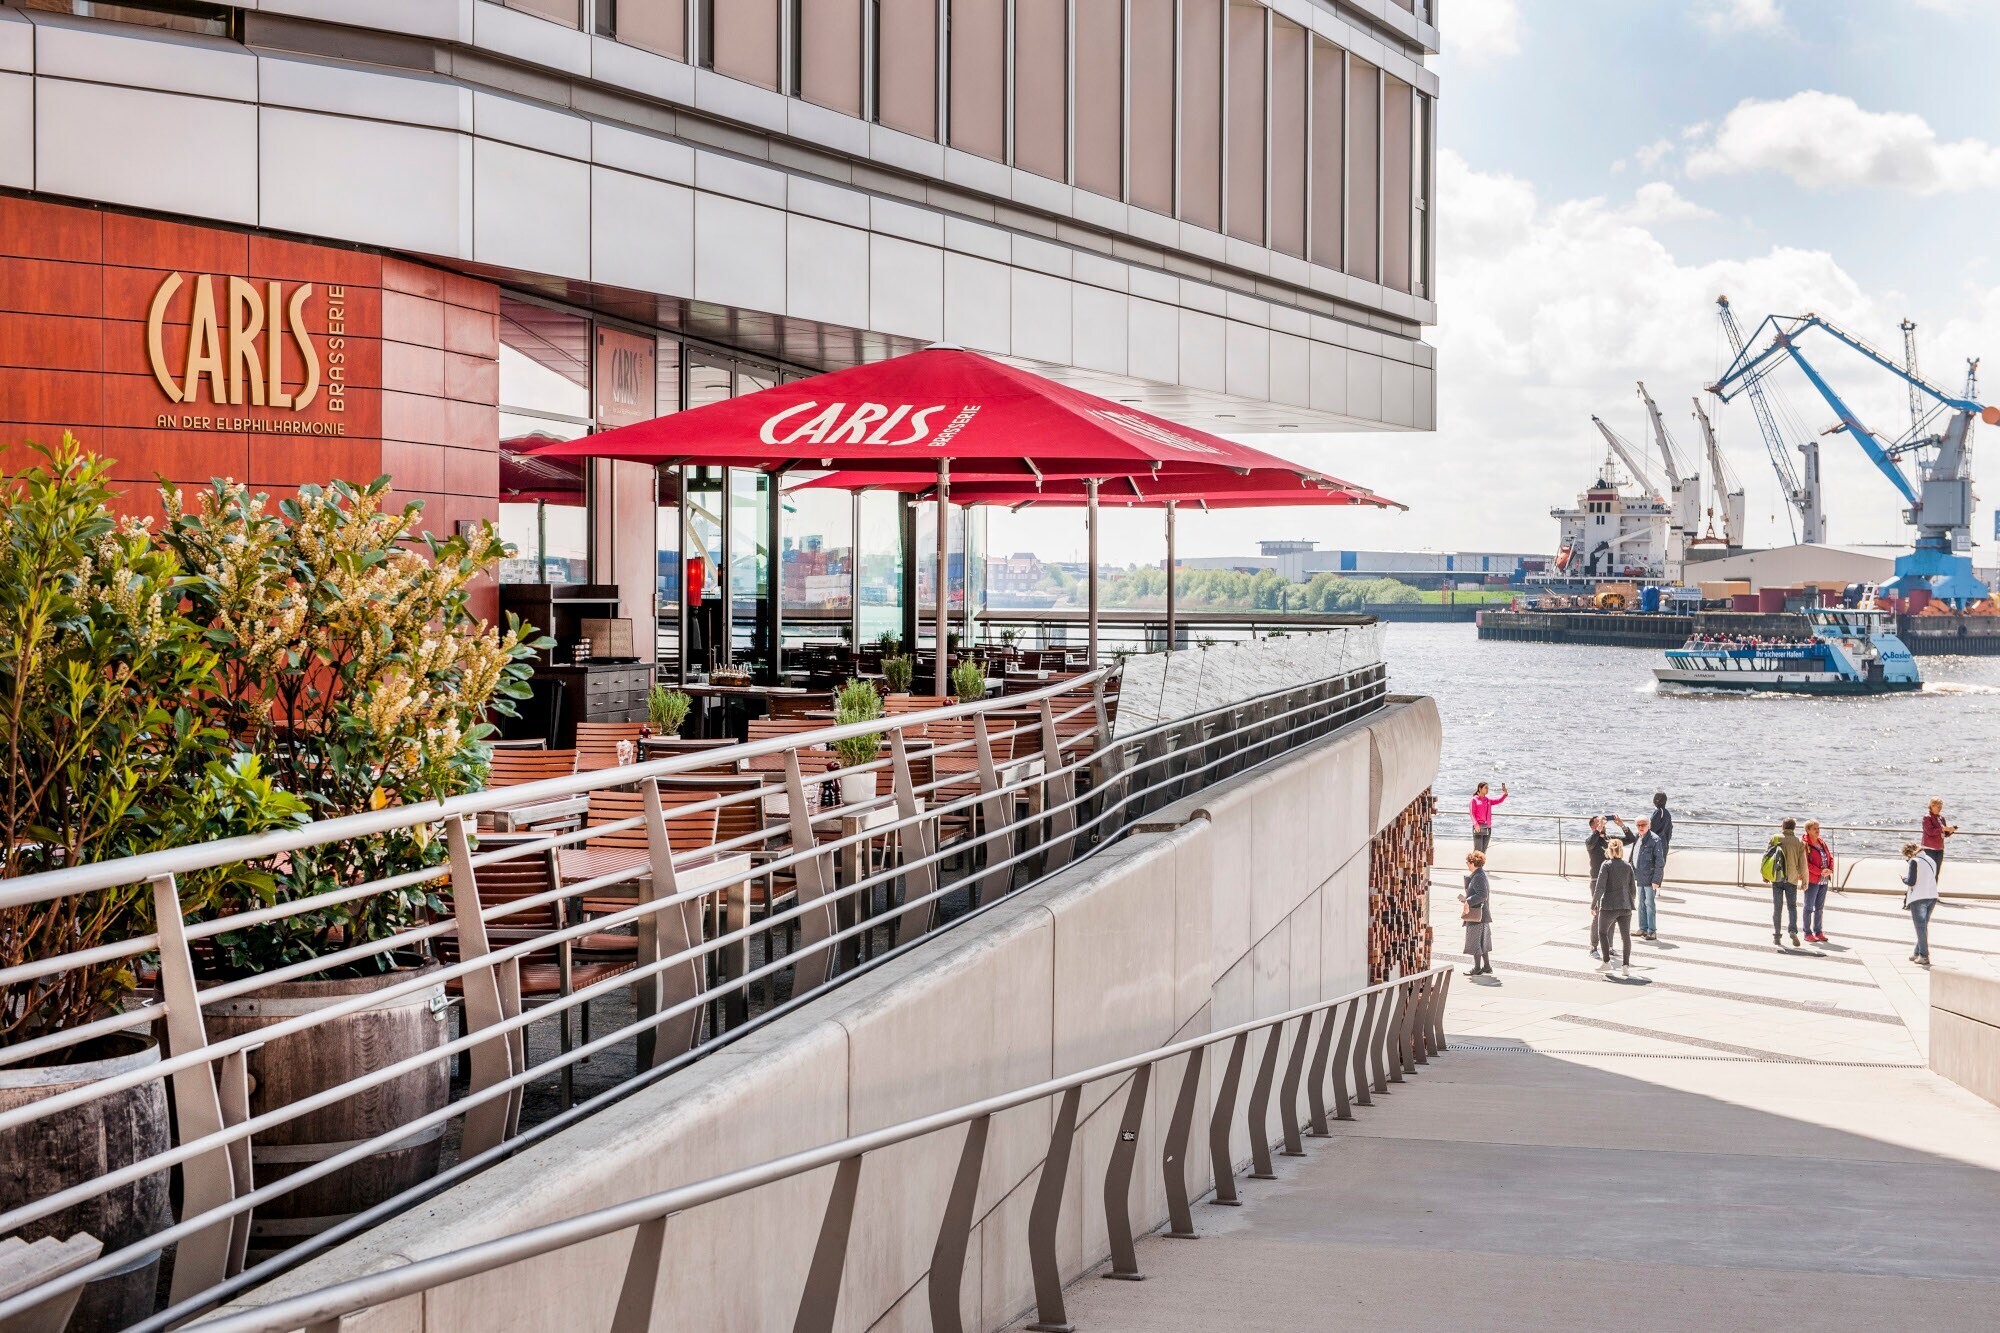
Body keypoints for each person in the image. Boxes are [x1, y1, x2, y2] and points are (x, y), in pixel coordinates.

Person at [1584, 814, 1631, 957]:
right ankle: (1593, 947)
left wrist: (1621, 824)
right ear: (1593, 826)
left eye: (1603, 822)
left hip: (1613, 881)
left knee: (1612, 914)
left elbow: (1630, 839)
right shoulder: (1592, 841)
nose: (1603, 824)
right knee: (1598, 914)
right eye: (1599, 823)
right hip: (1597, 880)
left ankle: (1609, 946)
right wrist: (1598, 829)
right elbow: (1590, 842)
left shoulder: (1610, 840)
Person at [1593, 838, 1638, 978]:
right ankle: (1625, 966)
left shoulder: (1606, 865)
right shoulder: (1627, 866)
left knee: (1602, 932)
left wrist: (1593, 903)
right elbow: (1633, 890)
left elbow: (1600, 887)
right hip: (1625, 906)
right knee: (1626, 938)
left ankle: (1607, 962)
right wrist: (1629, 902)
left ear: (1609, 850)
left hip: (1609, 906)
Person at [1767, 818, 1807, 949]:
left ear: (1783, 826)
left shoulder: (1775, 838)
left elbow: (1767, 857)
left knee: (1777, 907)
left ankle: (1777, 937)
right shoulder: (1799, 842)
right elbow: (1803, 864)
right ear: (1794, 828)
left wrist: (1765, 875)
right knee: (1792, 907)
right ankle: (1792, 931)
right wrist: (1805, 881)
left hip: (1777, 877)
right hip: (1792, 879)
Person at [1902, 841, 1939, 967]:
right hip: (1932, 896)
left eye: (1907, 856)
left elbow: (1911, 881)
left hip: (1919, 897)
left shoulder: (1914, 861)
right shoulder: (1931, 860)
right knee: (1923, 927)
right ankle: (1917, 952)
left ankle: (1924, 956)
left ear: (1910, 853)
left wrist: (1903, 879)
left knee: (1920, 928)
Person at [1461, 851, 1494, 976]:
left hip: (1477, 915)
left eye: (1468, 862)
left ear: (1473, 862)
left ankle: (1477, 968)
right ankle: (1486, 967)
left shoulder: (1478, 876)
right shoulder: (1479, 874)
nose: (1467, 864)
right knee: (1483, 942)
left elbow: (1482, 895)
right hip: (1482, 915)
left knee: (1475, 941)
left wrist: (1468, 901)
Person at [1632, 817, 1666, 941]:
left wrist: (1657, 880)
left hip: (1650, 879)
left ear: (1649, 825)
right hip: (1640, 877)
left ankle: (1651, 931)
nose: (1641, 827)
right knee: (1640, 904)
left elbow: (1659, 862)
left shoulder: (1655, 839)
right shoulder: (1637, 837)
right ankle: (1642, 928)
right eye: (1638, 825)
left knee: (1649, 904)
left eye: (1643, 824)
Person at [1802, 820, 1836, 944]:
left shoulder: (1822, 842)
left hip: (1823, 880)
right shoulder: (1805, 845)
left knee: (1819, 908)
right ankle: (1807, 932)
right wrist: (1819, 871)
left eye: (1818, 828)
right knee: (1809, 907)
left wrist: (1830, 869)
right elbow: (1805, 863)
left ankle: (1818, 931)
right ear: (1808, 830)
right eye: (1814, 828)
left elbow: (1830, 857)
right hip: (1812, 880)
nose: (1817, 830)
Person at [1470, 781, 1508, 854]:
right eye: (1486, 788)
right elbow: (1472, 813)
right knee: (1478, 850)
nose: (1487, 789)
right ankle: (1473, 865)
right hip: (1478, 828)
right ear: (1480, 789)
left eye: (1488, 788)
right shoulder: (1474, 800)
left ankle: (1480, 865)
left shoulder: (1488, 800)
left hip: (1488, 828)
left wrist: (1505, 793)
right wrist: (1476, 825)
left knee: (1483, 851)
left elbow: (1499, 800)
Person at [1921, 798, 1956, 877]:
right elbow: (1930, 831)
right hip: (1929, 849)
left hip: (1939, 849)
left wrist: (1950, 831)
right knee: (1929, 872)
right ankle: (1927, 889)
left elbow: (1944, 834)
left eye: (1941, 807)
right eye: (1938, 807)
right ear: (1932, 806)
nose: (1940, 809)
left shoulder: (1941, 818)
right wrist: (1943, 828)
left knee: (1936, 873)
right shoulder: (1927, 817)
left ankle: (1933, 889)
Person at [1651, 791, 1673, 869]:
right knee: (1659, 867)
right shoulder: (1667, 813)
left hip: (1657, 843)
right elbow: (1670, 831)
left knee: (1654, 867)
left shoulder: (1659, 812)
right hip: (1664, 842)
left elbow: (1652, 829)